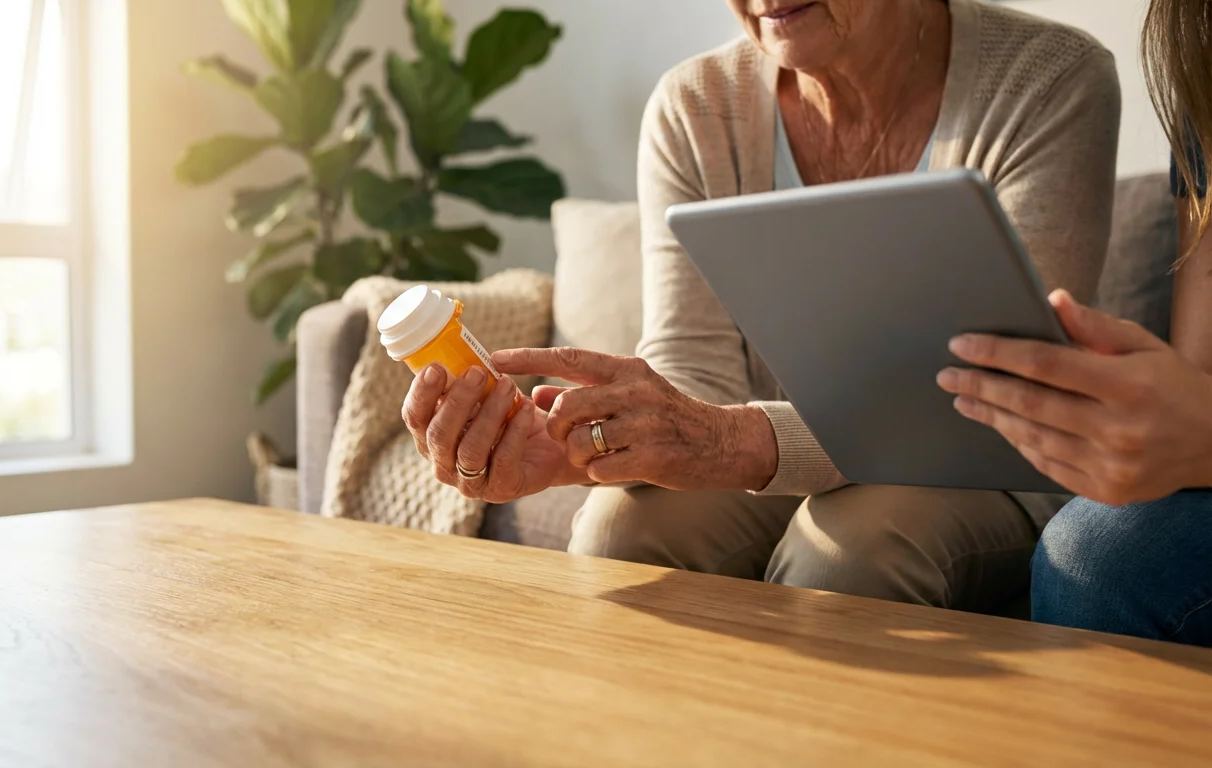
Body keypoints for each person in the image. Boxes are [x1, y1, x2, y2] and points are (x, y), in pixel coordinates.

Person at [402, 0, 1121, 612]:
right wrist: (571, 451)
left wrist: (733, 442)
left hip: (985, 468)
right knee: (623, 529)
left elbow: (1003, 403)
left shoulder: (1048, 78)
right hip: (776, 455)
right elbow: (692, 374)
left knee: (853, 552)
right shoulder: (696, 106)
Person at [935, 0, 1212, 645]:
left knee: (1101, 560)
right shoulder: (1201, 73)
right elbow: (1197, 378)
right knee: (1092, 545)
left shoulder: (1054, 76)